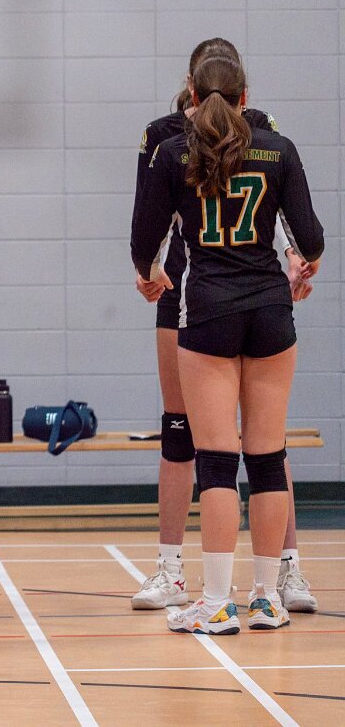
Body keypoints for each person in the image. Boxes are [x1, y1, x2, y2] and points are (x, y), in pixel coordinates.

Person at [132, 51, 323, 634]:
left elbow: (144, 240)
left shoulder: (173, 152)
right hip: (270, 311)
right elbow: (310, 239)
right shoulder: (277, 149)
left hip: (208, 310)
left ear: (192, 95)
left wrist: (151, 275)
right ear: (246, 96)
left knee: (216, 460)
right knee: (266, 458)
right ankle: (266, 598)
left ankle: (216, 601)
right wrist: (303, 266)